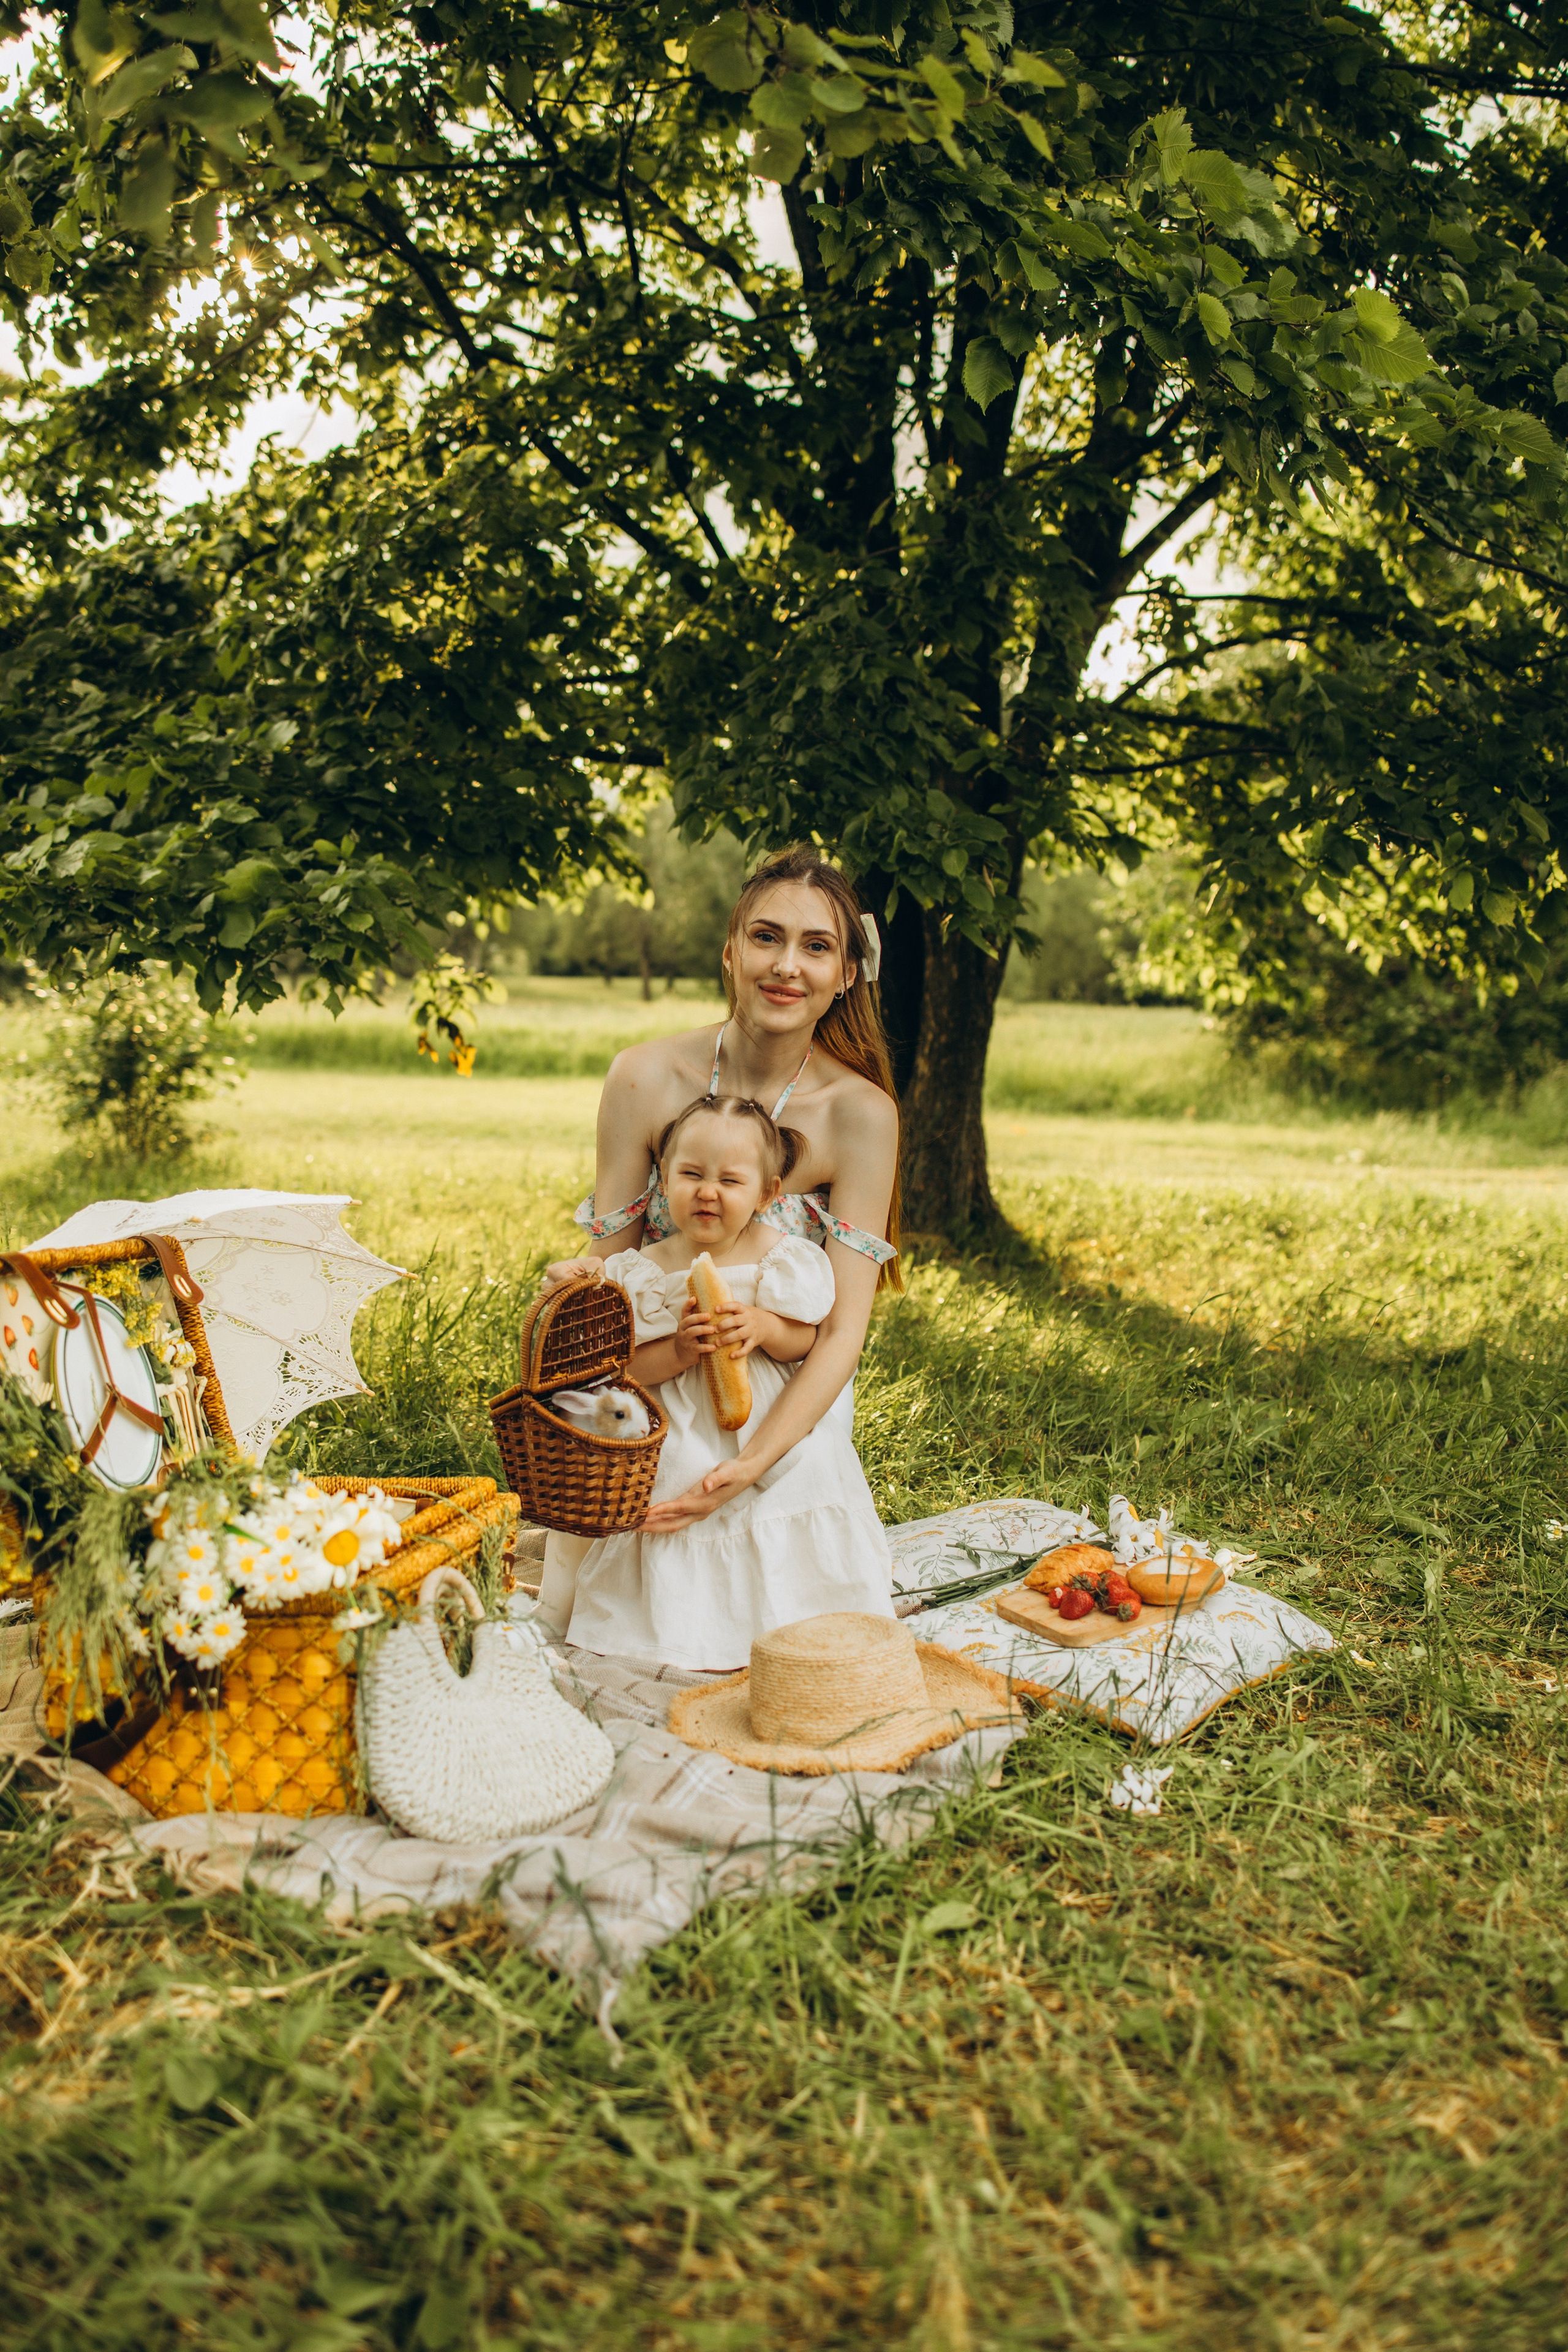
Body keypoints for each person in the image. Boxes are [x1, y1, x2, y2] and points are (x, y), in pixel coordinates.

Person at [540, 844, 902, 1542]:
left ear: (846, 975)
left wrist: (756, 1462)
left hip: (786, 1400)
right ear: (731, 952)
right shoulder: (643, 1077)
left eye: (816, 947)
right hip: (657, 1371)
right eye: (766, 937)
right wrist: (580, 1283)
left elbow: (840, 1333)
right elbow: (612, 1262)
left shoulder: (859, 1114)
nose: (786, 965)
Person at [538, 1094, 896, 1668]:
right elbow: (626, 1374)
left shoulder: (783, 1259)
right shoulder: (645, 1271)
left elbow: (807, 1341)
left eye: (731, 1180)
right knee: (675, 1480)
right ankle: (682, 1628)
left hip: (766, 1415)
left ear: (767, 1194)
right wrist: (678, 1351)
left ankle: (793, 1620)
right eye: (691, 1174)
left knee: (804, 1475)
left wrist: (765, 1327)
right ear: (662, 1181)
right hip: (681, 1417)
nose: (708, 1191)